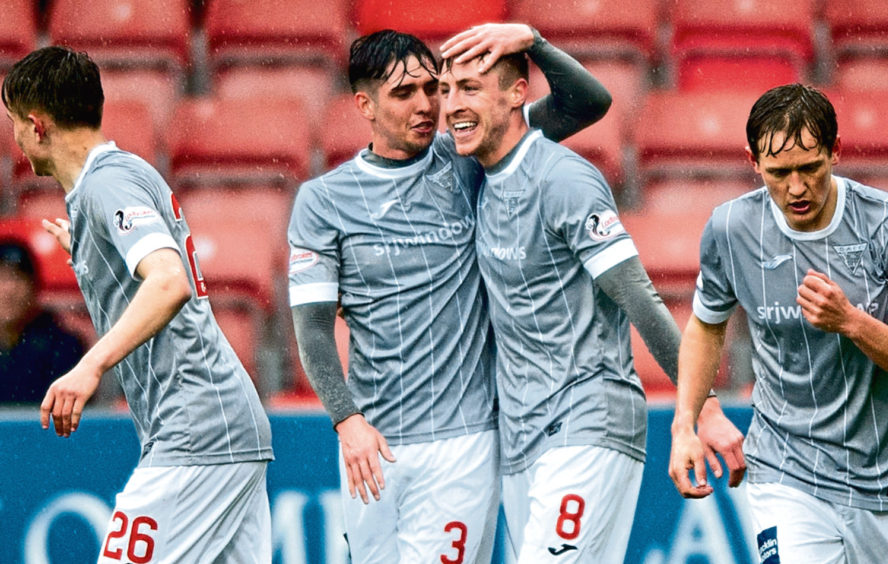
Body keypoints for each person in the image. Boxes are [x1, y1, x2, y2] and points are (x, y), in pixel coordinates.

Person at [288, 23, 616, 563]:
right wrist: (347, 421)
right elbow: (313, 329)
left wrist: (531, 42)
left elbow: (587, 103)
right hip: (372, 446)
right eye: (402, 94)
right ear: (364, 105)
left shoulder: (466, 159)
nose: (426, 106)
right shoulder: (324, 201)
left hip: (463, 443)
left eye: (432, 88)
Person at [437, 50, 745, 561]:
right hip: (521, 439)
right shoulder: (479, 177)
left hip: (586, 418)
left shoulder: (563, 179)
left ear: (517, 94)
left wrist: (701, 408)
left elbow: (638, 296)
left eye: (469, 87)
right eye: (447, 90)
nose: (452, 106)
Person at [3, 46, 274, 562]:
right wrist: (88, 249)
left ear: (37, 126)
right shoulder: (114, 179)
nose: (14, 137)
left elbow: (169, 282)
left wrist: (90, 365)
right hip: (223, 427)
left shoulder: (108, 183)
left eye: (14, 122)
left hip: (197, 432)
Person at [668, 83, 888, 563]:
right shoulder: (731, 229)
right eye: (778, 172)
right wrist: (687, 421)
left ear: (836, 151)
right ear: (753, 162)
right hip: (785, 472)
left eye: (809, 168)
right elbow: (707, 326)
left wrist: (853, 323)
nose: (795, 187)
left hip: (887, 483)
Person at [0, 239, 85, 404]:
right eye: (2, 278)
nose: (9, 290)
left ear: (34, 287)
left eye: (18, 278)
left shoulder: (63, 346)